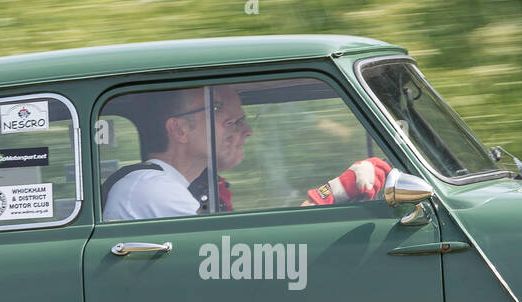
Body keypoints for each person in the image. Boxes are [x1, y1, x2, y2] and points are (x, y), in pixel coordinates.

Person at [101, 84, 392, 220]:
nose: (246, 131)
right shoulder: (151, 189)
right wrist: (334, 192)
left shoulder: (172, 187)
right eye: (226, 117)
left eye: (242, 120)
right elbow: (246, 259)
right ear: (179, 130)